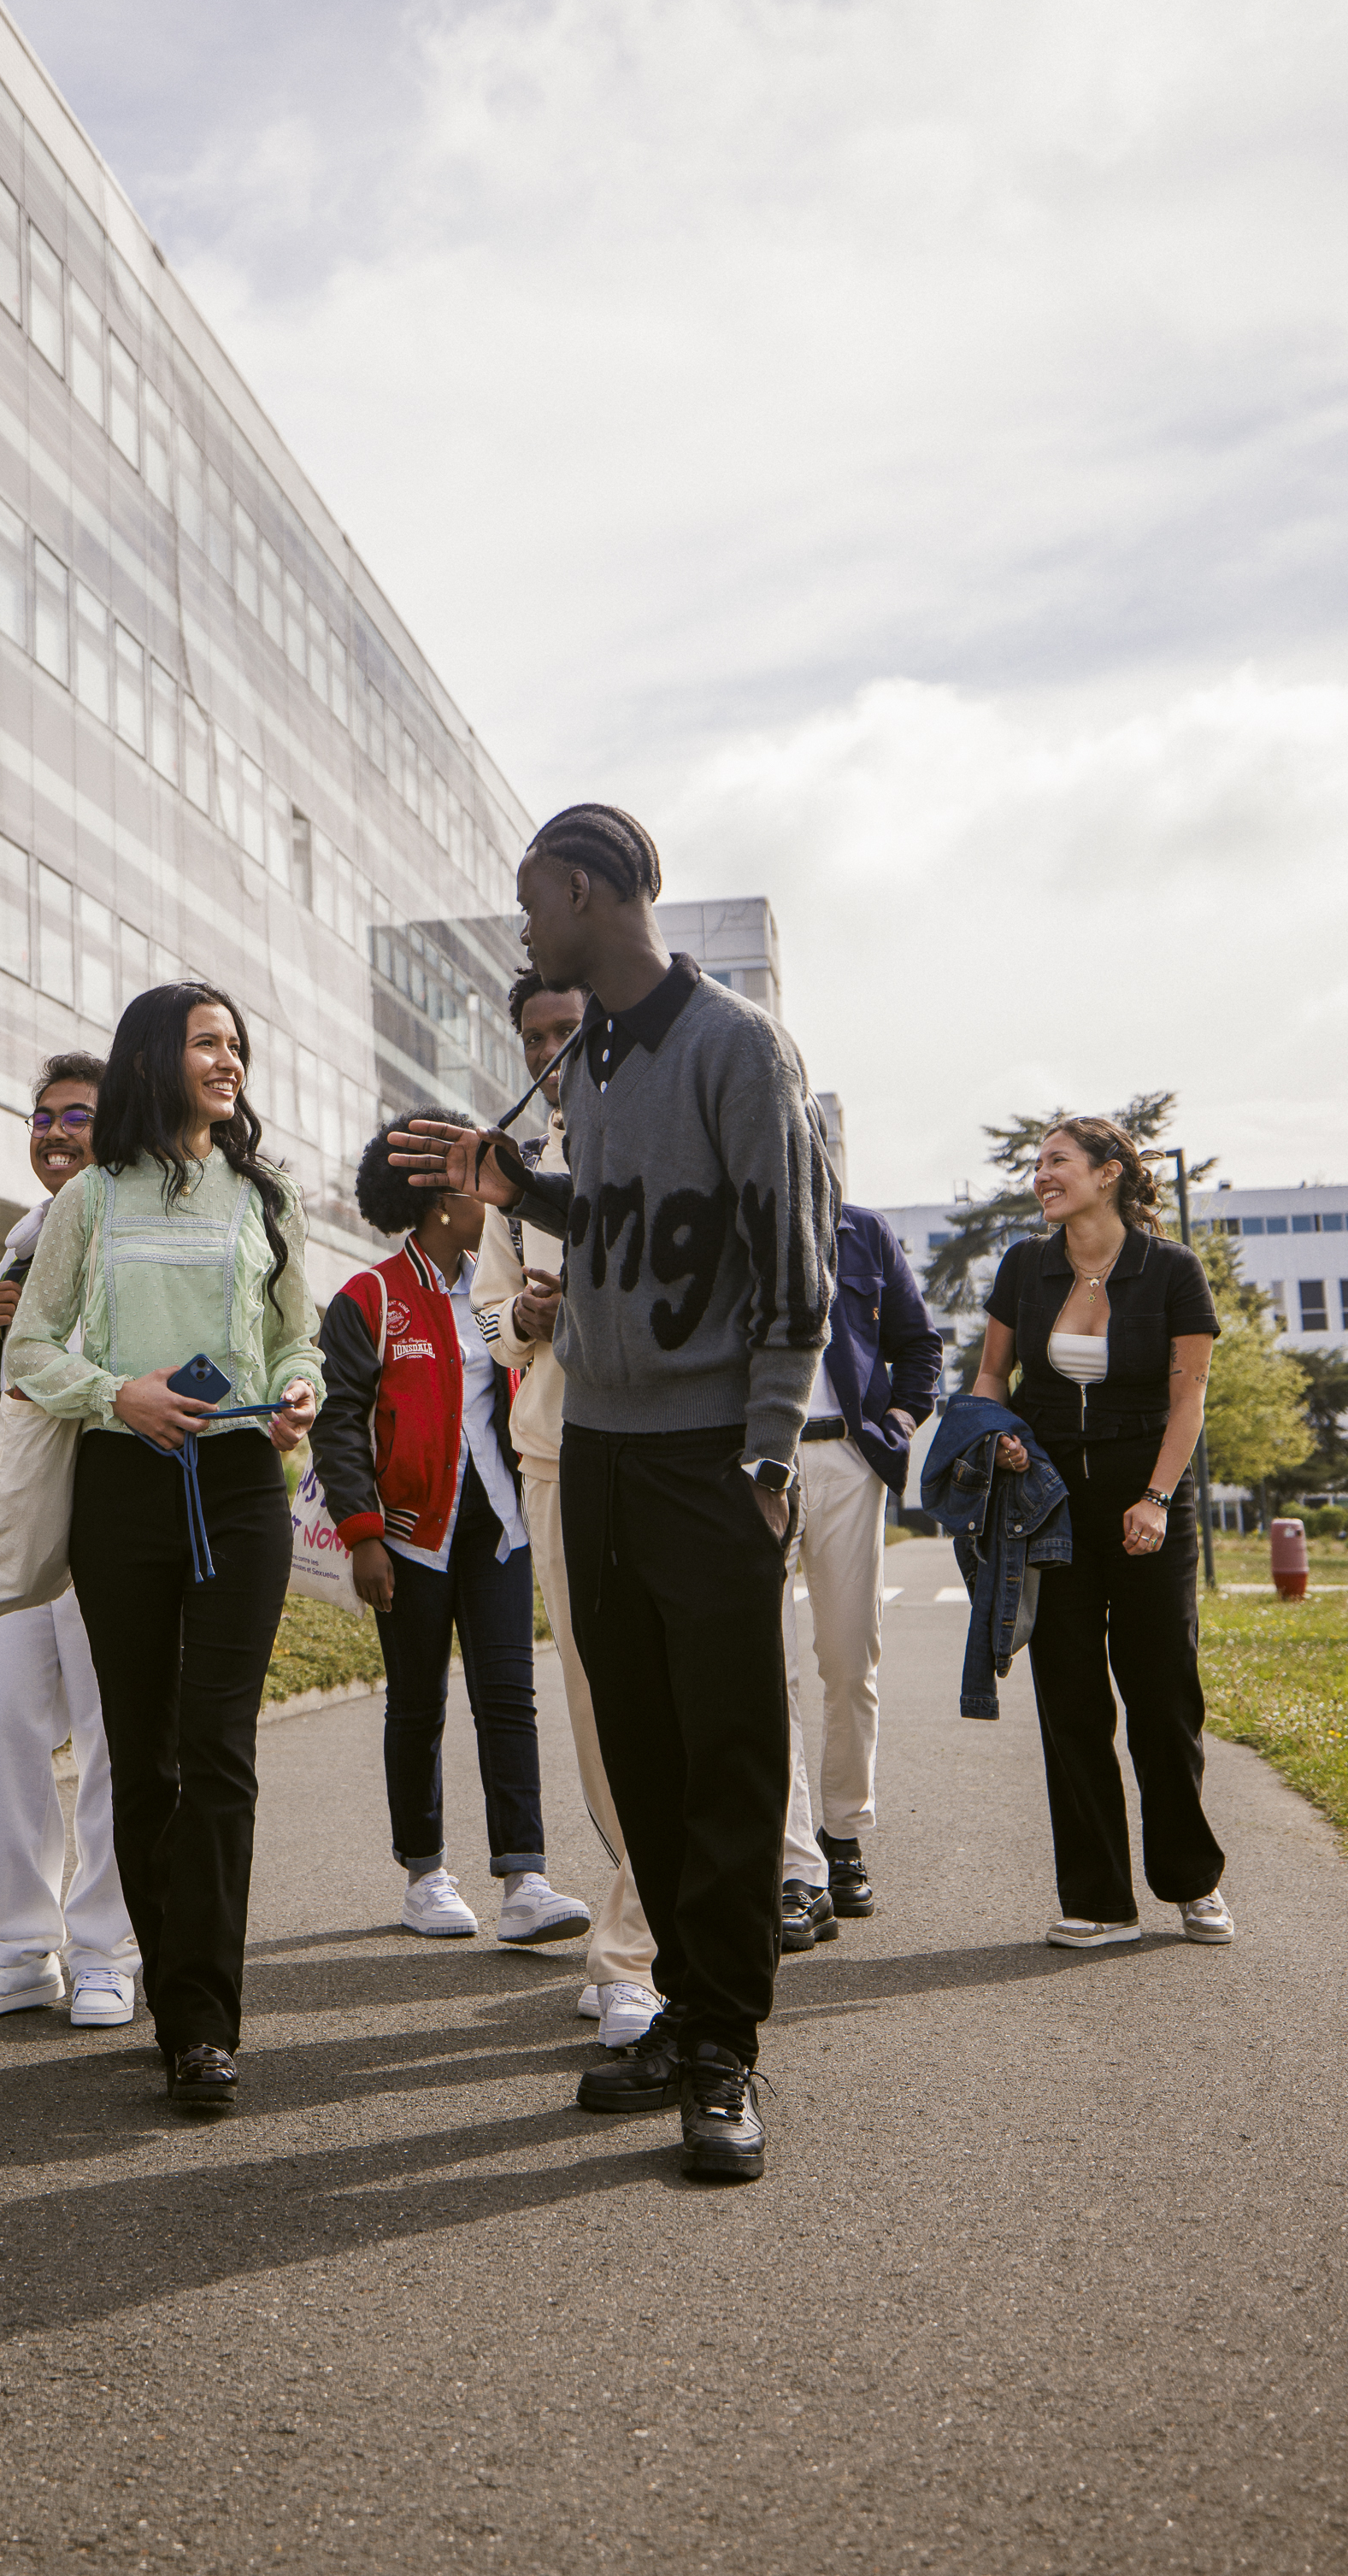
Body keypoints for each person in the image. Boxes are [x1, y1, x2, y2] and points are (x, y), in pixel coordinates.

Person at [391, 804, 837, 2185]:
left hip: (712, 1455)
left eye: (531, 903)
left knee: (727, 1750)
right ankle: (684, 2010)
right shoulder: (584, 1055)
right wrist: (520, 1183)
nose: (522, 929)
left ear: (585, 892)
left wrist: (764, 1458)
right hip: (597, 1445)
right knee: (637, 1749)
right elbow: (636, 1218)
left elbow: (787, 1264)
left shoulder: (736, 1047)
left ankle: (721, 2048)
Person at [4, 982, 322, 2112]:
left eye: (236, 1043)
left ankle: (202, 2021)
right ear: (155, 1059)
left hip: (240, 1483)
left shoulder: (264, 1192)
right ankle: (169, 1997)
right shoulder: (89, 1199)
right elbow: (27, 1352)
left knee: (217, 1747)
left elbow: (299, 1338)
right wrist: (114, 1395)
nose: (227, 1060)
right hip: (120, 1487)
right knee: (142, 1760)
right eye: (206, 1043)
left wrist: (296, 1392)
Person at [311, 1110, 592, 1955]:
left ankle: (525, 1877)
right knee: (418, 1701)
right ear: (441, 1201)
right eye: (479, 1186)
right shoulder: (369, 1297)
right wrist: (362, 1532)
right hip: (407, 1533)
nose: (494, 1201)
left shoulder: (496, 1288)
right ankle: (425, 1871)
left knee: (510, 1697)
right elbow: (340, 1422)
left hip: (499, 1529)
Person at [972, 1116, 1229, 1950]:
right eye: (1039, 1163)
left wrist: (1157, 1494)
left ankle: (1193, 1882)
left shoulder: (1171, 1270)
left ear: (1109, 1173)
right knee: (1070, 1696)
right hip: (1050, 1496)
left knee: (1161, 1694)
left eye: (1058, 1162)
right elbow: (991, 1372)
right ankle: (1098, 1900)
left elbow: (1188, 1396)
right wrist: (998, 1432)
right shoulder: (1025, 1264)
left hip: (1146, 1489)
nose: (1042, 1175)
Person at [0, 1050, 140, 2032]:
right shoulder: (22, 1238)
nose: (55, 1131)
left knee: (108, 1733)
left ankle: (104, 1947)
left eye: (78, 1114)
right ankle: (21, 1944)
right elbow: (13, 1390)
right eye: (43, 1115)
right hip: (22, 1510)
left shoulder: (129, 1221)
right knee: (0, 1709)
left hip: (106, 1498)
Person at [473, 971, 659, 2046]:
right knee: (593, 1699)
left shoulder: (670, 1124)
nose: (554, 1046)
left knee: (672, 1693)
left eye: (570, 1024)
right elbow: (492, 1321)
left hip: (672, 1447)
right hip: (554, 1449)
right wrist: (529, 1314)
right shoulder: (517, 1173)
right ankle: (640, 1911)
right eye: (536, 1032)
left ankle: (635, 1944)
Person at [777, 1201, 944, 1950]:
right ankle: (793, 1861)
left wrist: (901, 1422)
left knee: (849, 1661)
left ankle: (842, 1834)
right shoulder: (729, 1212)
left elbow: (918, 1343)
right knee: (763, 1669)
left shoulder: (862, 1231)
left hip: (848, 1457)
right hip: (753, 1463)